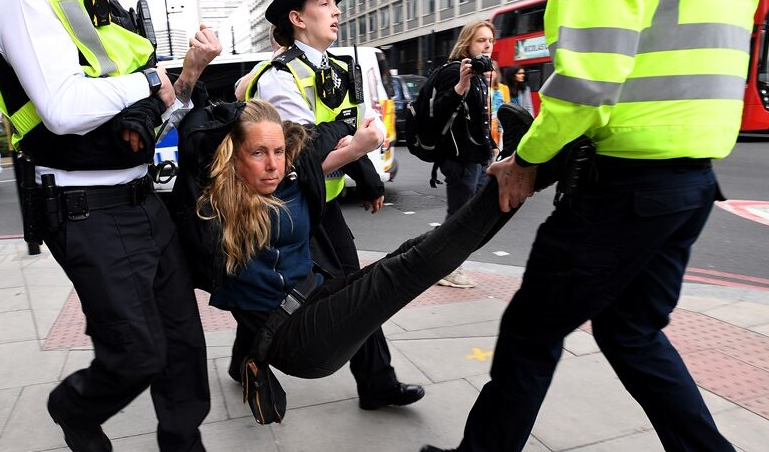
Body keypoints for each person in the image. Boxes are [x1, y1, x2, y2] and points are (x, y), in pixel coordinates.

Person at [423, 0, 760, 450]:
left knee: (531, 333)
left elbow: (585, 86)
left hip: (622, 187)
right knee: (632, 331)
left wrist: (526, 160)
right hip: (693, 184)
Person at [0, 0, 221, 450]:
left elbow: (151, 113)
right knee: (135, 354)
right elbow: (65, 110)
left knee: (183, 345)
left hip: (144, 201)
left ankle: (183, 442)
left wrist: (185, 77)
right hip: (88, 212)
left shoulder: (94, 5)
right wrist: (149, 82)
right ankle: (72, 408)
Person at [177, 99, 518, 415]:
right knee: (406, 270)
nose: (272, 165)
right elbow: (195, 146)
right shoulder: (216, 211)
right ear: (233, 157)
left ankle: (516, 181)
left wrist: (351, 135)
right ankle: (522, 172)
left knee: (411, 251)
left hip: (317, 299)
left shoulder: (293, 180)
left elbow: (321, 136)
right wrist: (193, 78)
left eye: (279, 151)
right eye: (258, 153)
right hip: (296, 342)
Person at [241, 0, 424, 410]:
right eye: (323, 3)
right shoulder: (278, 77)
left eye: (334, 3)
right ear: (297, 18)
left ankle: (246, 360)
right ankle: (375, 381)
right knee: (349, 290)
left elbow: (345, 129)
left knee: (320, 288)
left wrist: (368, 175)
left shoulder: (337, 67)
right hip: (291, 204)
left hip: (321, 202)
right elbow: (302, 162)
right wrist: (359, 145)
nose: (336, 10)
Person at [431, 20, 499, 289]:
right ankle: (445, 267)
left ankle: (442, 260)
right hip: (460, 159)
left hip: (477, 157)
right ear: (467, 43)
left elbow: (479, 118)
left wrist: (491, 144)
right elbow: (441, 110)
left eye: (490, 41)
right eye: (481, 40)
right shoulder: (454, 72)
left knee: (471, 215)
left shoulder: (483, 75)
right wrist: (461, 84)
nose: (487, 46)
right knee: (459, 216)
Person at [488, 62, 509, 148]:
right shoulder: (480, 88)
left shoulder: (504, 88)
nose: (489, 73)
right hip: (486, 131)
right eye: (486, 70)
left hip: (499, 130)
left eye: (492, 70)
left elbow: (507, 109)